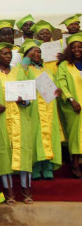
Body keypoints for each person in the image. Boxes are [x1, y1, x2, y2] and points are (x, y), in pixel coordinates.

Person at [0, 43, 36, 205]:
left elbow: (28, 93)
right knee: (3, 152)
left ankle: (26, 190)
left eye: (9, 53)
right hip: (0, 118)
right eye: (4, 54)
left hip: (20, 117)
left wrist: (25, 100)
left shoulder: (19, 72)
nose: (8, 56)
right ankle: (8, 190)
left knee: (24, 151)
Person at [20, 40, 62, 181]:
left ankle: (48, 166)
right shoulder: (25, 69)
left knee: (50, 135)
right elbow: (21, 72)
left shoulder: (47, 70)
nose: (37, 54)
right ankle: (36, 166)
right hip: (34, 108)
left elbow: (53, 85)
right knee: (36, 135)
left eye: (38, 52)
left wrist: (58, 91)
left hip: (49, 107)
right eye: (33, 52)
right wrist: (28, 56)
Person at [56, 33, 82, 178]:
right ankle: (75, 164)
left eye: (80, 47)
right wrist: (72, 100)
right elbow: (61, 84)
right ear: (69, 49)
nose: (77, 50)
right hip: (74, 107)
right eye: (74, 47)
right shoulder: (65, 65)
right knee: (75, 135)